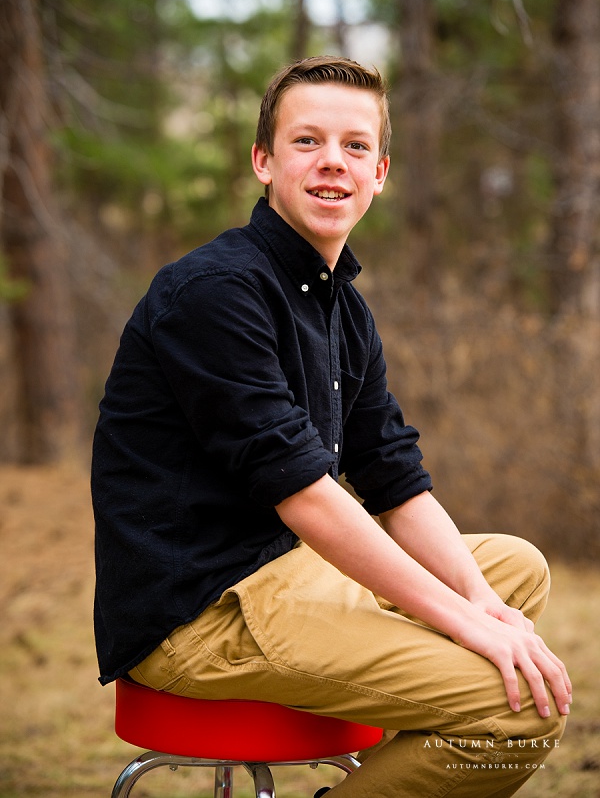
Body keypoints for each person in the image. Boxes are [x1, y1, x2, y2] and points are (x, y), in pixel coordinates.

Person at [92, 56, 571, 797]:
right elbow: (307, 496)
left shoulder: (342, 309)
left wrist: (480, 606)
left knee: (514, 569)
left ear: (380, 172)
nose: (331, 163)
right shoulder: (215, 293)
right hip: (202, 613)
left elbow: (393, 476)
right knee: (515, 710)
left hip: (289, 579)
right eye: (306, 141)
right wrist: (471, 627)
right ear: (264, 161)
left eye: (354, 146)